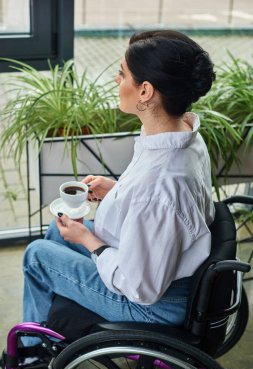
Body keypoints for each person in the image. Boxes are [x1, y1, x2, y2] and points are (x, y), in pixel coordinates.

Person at [22, 30, 216, 338]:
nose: (116, 80)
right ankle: (46, 334)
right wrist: (119, 191)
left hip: (152, 306)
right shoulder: (184, 135)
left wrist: (89, 240)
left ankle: (32, 355)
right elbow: (165, 206)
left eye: (122, 74)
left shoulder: (157, 186)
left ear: (145, 91)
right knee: (55, 231)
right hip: (158, 265)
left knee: (37, 255)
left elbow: (139, 287)